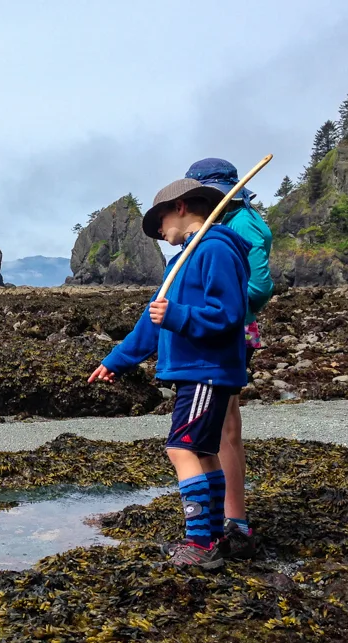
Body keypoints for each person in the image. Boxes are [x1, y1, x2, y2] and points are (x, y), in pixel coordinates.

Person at [88, 178, 251, 570]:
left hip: (206, 372)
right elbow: (151, 322)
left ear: (179, 207)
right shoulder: (181, 260)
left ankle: (198, 544)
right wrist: (116, 360)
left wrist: (178, 315)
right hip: (195, 373)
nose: (159, 232)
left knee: (180, 449)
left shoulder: (215, 249)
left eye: (158, 220)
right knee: (202, 452)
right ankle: (212, 538)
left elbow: (230, 315)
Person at [184, 158, 274, 560]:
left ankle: (233, 521)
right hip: (230, 330)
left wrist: (216, 309)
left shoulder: (241, 225)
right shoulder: (229, 222)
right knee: (225, 425)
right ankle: (231, 518)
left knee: (224, 428)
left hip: (229, 332)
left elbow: (258, 286)